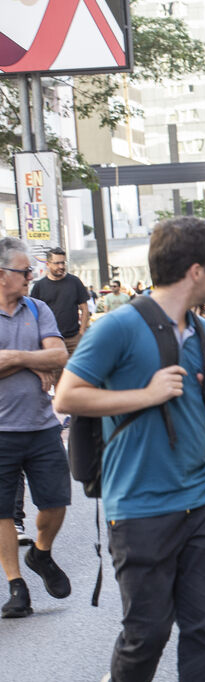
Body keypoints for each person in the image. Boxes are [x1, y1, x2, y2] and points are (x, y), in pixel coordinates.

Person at [54, 216, 205, 682]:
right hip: (138, 503)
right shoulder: (118, 327)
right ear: (195, 270)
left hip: (202, 498)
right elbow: (68, 395)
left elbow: (195, 409)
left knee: (203, 630)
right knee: (148, 631)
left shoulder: (204, 330)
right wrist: (145, 393)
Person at [0, 237, 72, 618]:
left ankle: (41, 553)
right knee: (2, 512)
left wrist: (13, 358)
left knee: (57, 501)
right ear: (2, 275)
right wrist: (32, 360)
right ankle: (16, 586)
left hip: (42, 426)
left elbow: (59, 355)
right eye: (25, 271)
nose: (31, 276)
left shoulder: (37, 307)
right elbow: (44, 356)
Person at [30, 247, 91, 383]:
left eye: (63, 262)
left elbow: (84, 308)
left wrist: (82, 332)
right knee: (58, 380)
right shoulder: (39, 286)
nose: (61, 266)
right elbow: (33, 314)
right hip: (52, 342)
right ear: (48, 264)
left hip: (74, 338)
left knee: (79, 377)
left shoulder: (74, 282)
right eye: (57, 263)